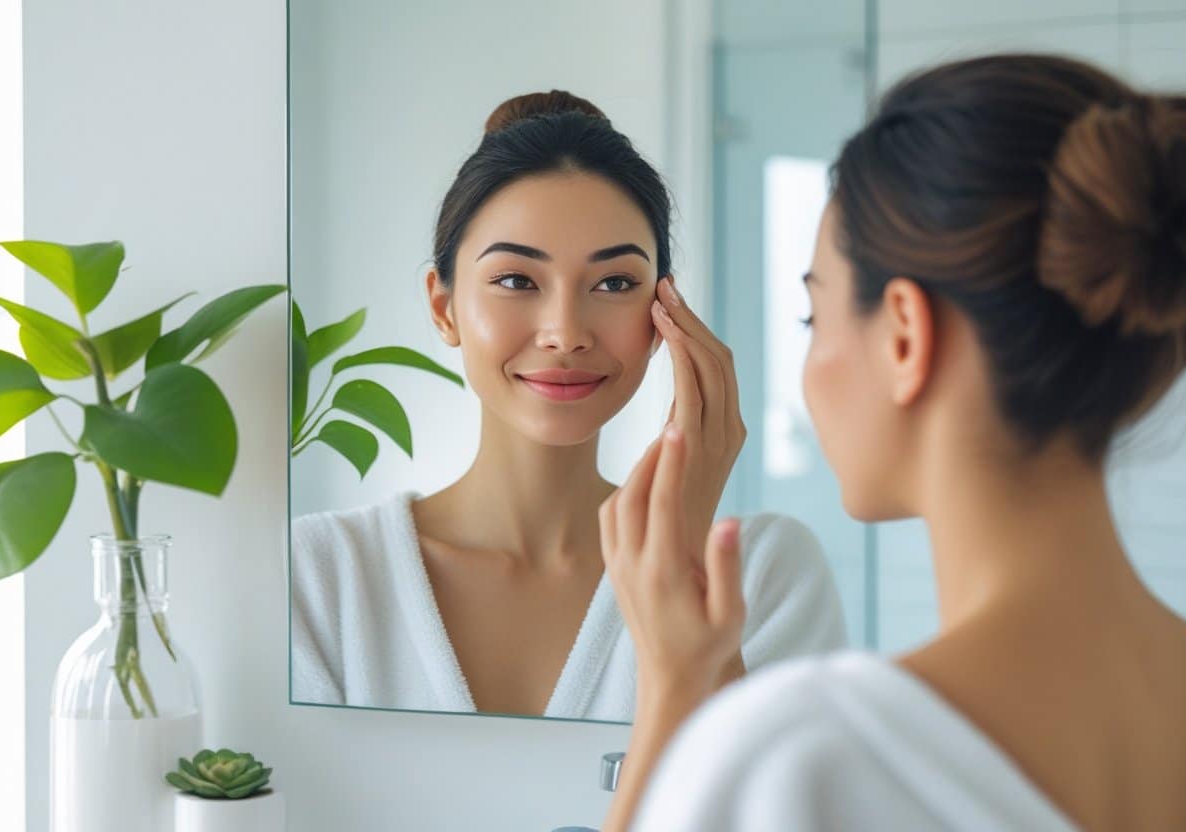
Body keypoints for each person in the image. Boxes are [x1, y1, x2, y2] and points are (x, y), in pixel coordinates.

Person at [601, 54, 1186, 830]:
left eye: (812, 318)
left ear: (902, 335)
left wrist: (673, 683)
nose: (808, 370)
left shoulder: (811, 761)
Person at [291, 91, 846, 721]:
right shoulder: (318, 576)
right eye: (515, 280)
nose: (566, 331)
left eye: (614, 283)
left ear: (665, 313)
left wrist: (682, 556)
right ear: (444, 307)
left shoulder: (764, 574)